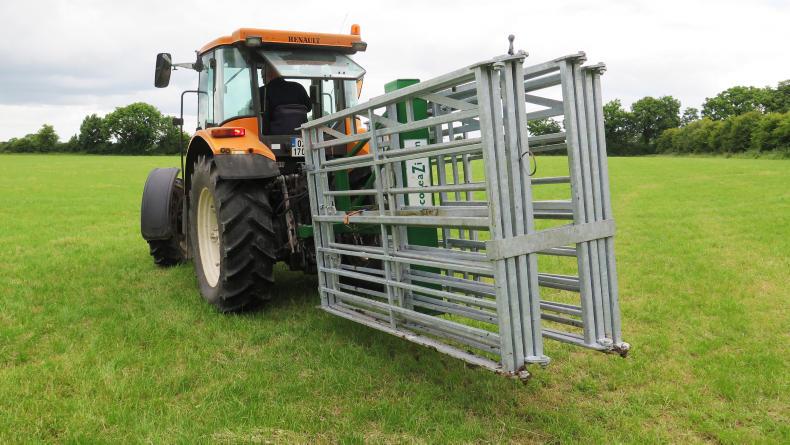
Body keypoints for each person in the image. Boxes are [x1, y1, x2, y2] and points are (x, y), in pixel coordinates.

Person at [259, 63, 312, 135]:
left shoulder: (263, 91)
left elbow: (258, 112)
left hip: (273, 137)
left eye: (263, 77)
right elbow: (309, 108)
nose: (263, 81)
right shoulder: (298, 87)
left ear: (270, 74)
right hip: (301, 134)